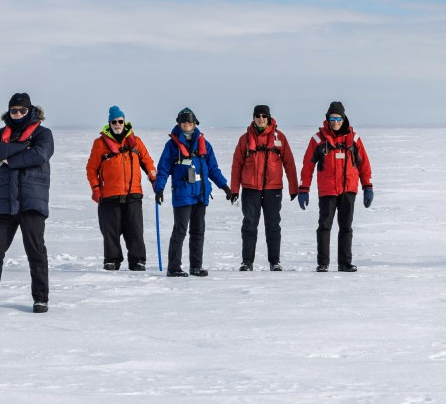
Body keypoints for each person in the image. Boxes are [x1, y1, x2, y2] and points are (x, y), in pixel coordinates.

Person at [0, 93, 54, 313]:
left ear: (30, 110)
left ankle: (41, 299)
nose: (17, 114)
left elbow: (39, 155)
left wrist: (8, 159)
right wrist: (24, 147)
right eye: (13, 110)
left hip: (32, 202)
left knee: (35, 252)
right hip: (4, 203)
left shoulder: (43, 133)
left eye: (22, 110)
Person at [153, 107, 232, 277]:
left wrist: (225, 186)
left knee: (198, 232)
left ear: (195, 122)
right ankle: (173, 267)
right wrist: (159, 189)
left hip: (200, 194)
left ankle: (196, 266)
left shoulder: (205, 144)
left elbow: (213, 169)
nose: (187, 123)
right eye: (183, 121)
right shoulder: (171, 146)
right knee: (180, 231)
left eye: (189, 120)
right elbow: (163, 169)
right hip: (182, 194)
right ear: (179, 123)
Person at [297, 101, 373, 272]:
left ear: (343, 119)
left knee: (346, 227)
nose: (335, 122)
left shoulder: (354, 139)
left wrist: (367, 186)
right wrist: (304, 189)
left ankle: (345, 263)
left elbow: (364, 164)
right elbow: (307, 166)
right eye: (332, 118)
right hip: (328, 190)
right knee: (324, 226)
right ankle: (323, 263)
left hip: (348, 189)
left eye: (338, 118)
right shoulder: (318, 139)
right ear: (328, 119)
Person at [85, 105, 156, 271]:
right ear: (109, 123)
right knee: (110, 231)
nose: (117, 124)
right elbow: (91, 169)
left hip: (133, 194)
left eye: (120, 121)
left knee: (135, 231)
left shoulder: (136, 142)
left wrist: (155, 181)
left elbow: (148, 162)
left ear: (125, 122)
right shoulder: (99, 143)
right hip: (109, 196)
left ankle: (138, 261)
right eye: (114, 122)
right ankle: (112, 260)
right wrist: (96, 188)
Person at [230, 104, 297, 271]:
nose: (261, 119)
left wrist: (293, 188)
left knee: (273, 225)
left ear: (269, 118)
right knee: (249, 225)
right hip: (250, 189)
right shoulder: (244, 139)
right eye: (258, 116)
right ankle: (247, 262)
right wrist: (234, 190)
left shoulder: (279, 137)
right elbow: (236, 166)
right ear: (253, 118)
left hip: (273, 189)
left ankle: (275, 262)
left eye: (264, 116)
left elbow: (289, 163)